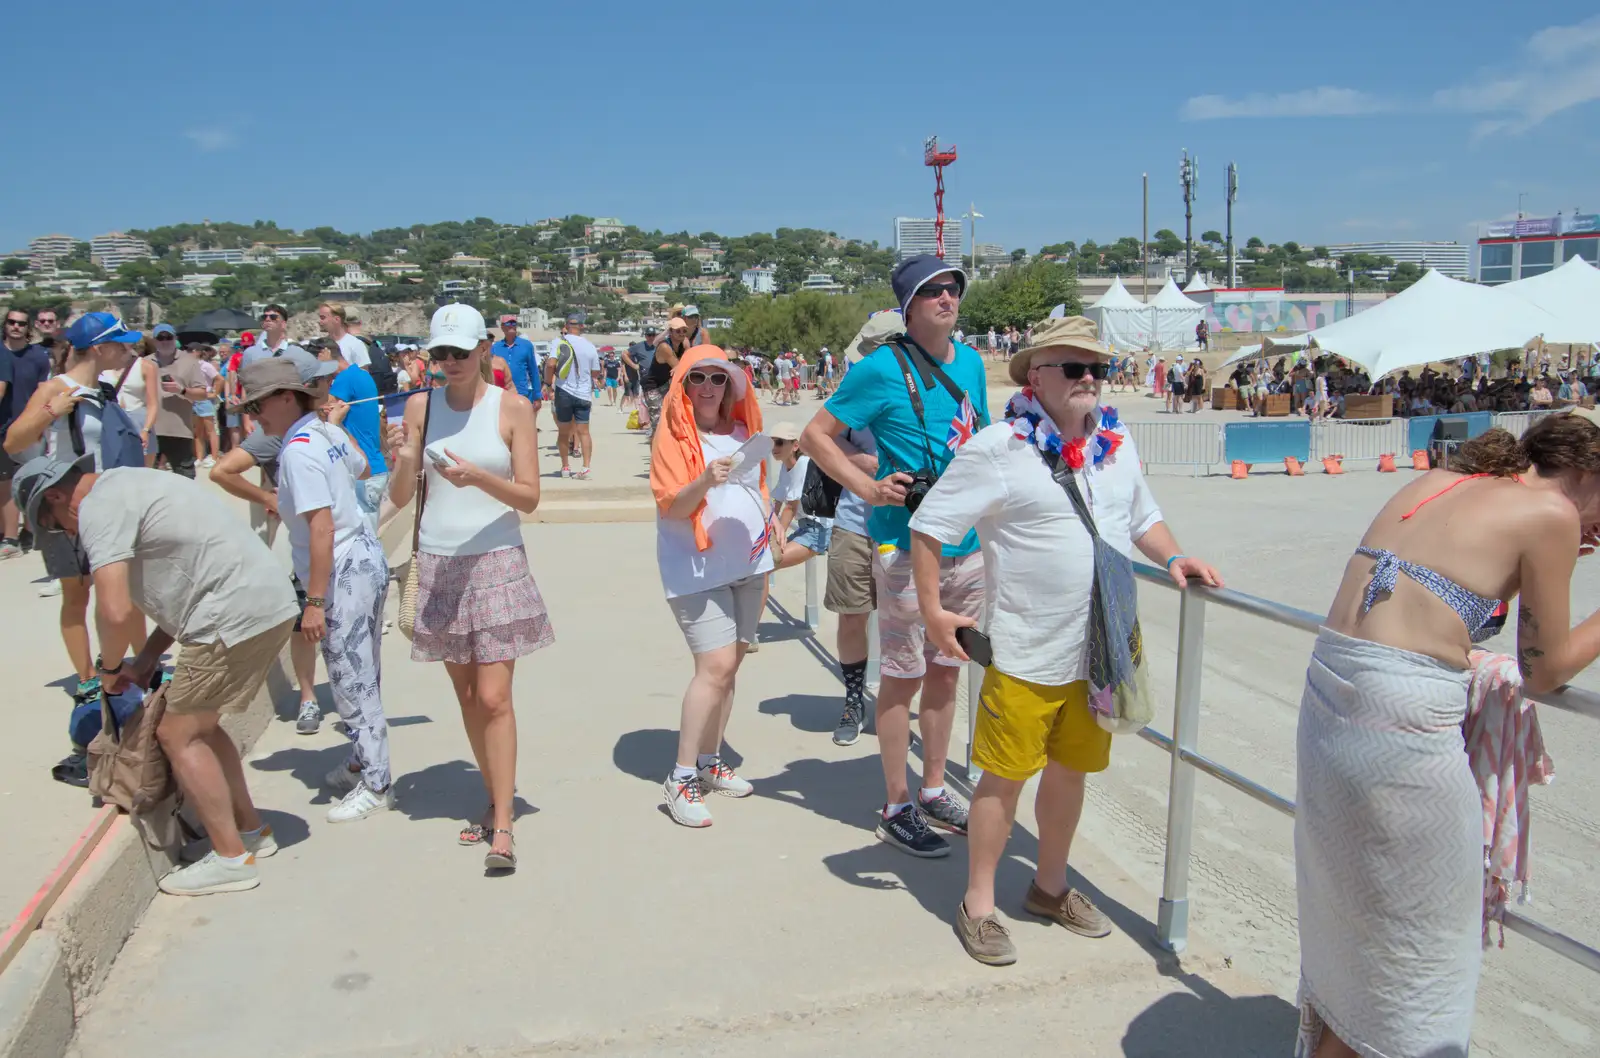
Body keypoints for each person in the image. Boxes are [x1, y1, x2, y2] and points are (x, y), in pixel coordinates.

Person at [908, 315, 1222, 965]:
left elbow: (1144, 518)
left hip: (1097, 651)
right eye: (1074, 368)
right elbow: (930, 525)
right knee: (1002, 780)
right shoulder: (999, 447)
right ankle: (979, 904)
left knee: (1072, 772)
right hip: (1024, 650)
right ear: (1036, 376)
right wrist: (936, 613)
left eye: (1099, 370)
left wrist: (1174, 559)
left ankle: (1050, 887)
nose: (1090, 380)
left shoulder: (1118, 441)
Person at [1294, 416, 1600, 1058]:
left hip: (1331, 702)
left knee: (1350, 930)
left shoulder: (1439, 481)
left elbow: (1435, 592)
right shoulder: (1550, 511)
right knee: (1419, 953)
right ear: (1587, 475)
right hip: (1402, 728)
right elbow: (1546, 669)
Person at [16, 454, 298, 895]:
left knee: (177, 733)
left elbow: (113, 610)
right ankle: (251, 832)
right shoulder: (132, 481)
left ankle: (231, 861)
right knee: (200, 726)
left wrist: (105, 670)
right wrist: (146, 658)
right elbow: (185, 582)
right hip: (262, 603)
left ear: (56, 495)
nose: (64, 534)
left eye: (53, 524)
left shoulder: (96, 508)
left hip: (229, 616)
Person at [800, 253, 989, 857]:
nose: (946, 298)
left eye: (952, 288)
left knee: (946, 670)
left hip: (967, 543)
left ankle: (934, 787)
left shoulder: (975, 364)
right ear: (908, 306)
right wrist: (868, 488)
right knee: (902, 677)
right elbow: (814, 437)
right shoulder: (880, 368)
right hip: (905, 544)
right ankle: (896, 802)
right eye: (932, 291)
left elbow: (979, 438)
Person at [385, 303, 552, 871]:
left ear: (485, 349)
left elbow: (529, 497)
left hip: (497, 560)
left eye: (460, 351)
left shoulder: (513, 407)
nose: (450, 362)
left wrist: (478, 475)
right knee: (464, 697)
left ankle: (503, 824)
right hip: (438, 560)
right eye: (440, 354)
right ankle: (493, 796)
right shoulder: (418, 406)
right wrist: (406, 459)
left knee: (493, 697)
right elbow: (404, 494)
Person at [239, 357, 394, 823]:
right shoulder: (322, 432)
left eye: (260, 404)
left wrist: (315, 601)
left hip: (341, 567)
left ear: (287, 396)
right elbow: (364, 467)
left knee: (351, 679)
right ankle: (359, 759)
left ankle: (376, 780)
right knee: (364, 672)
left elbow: (321, 529)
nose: (254, 415)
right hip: (365, 555)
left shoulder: (299, 450)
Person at [4, 311, 150, 712]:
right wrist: (53, 410)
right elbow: (15, 440)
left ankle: (138, 665)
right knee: (76, 594)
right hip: (66, 504)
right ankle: (87, 677)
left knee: (125, 592)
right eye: (121, 345)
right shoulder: (56, 387)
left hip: (109, 502)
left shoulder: (104, 389)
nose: (128, 351)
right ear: (100, 348)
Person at [650, 345, 770, 827]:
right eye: (696, 378)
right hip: (696, 570)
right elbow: (672, 506)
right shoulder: (674, 438)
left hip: (751, 563)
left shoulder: (743, 431)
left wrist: (771, 518)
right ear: (682, 385)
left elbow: (756, 483)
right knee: (715, 666)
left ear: (731, 385)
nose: (707, 388)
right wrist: (703, 480)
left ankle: (710, 761)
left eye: (716, 379)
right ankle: (680, 777)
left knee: (730, 668)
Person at [211, 344, 339, 735]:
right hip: (301, 544)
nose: (327, 383)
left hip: (328, 540)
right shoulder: (277, 438)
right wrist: (269, 498)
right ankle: (307, 697)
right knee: (305, 623)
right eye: (319, 379)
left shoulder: (317, 428)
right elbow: (222, 472)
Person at [822, 312, 900, 746]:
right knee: (854, 615)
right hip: (854, 522)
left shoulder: (926, 391)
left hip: (904, 528)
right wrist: (861, 463)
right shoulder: (852, 389)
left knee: (902, 620)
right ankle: (854, 699)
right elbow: (822, 438)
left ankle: (893, 708)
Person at [317, 336, 389, 536]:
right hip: (373, 466)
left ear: (327, 354)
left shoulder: (343, 379)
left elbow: (323, 409)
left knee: (364, 541)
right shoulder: (363, 375)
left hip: (363, 470)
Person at [0, 306, 53, 558]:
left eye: (21, 323)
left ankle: (29, 530)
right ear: (5, 324)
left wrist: (42, 423)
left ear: (28, 328)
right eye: (12, 322)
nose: (16, 327)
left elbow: (44, 393)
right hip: (3, 427)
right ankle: (10, 535)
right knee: (6, 484)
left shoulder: (39, 356)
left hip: (29, 426)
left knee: (30, 482)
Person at [544, 312, 601, 479]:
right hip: (584, 393)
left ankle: (565, 466)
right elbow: (596, 372)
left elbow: (551, 363)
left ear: (566, 326)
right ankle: (585, 467)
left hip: (564, 391)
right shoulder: (590, 346)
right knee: (584, 432)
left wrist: (548, 383)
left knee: (563, 431)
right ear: (582, 327)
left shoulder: (559, 341)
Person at [149, 324, 210, 478]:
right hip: (150, 429)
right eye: (160, 338)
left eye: (168, 337)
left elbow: (202, 394)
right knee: (149, 478)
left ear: (175, 339)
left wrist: (182, 390)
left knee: (185, 478)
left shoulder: (189, 361)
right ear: (155, 341)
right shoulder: (144, 362)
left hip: (179, 429)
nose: (165, 341)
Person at [492, 317, 541, 433]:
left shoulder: (526, 345)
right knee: (503, 428)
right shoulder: (495, 347)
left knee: (523, 428)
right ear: (502, 327)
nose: (511, 325)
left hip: (522, 393)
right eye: (508, 323)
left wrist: (537, 396)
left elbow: (533, 371)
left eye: (514, 323)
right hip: (501, 394)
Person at [644, 318, 686, 442]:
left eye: (684, 331)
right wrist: (680, 366)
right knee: (658, 426)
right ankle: (655, 459)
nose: (682, 333)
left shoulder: (683, 345)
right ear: (670, 332)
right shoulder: (665, 347)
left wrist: (681, 366)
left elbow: (684, 366)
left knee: (672, 425)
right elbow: (680, 367)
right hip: (654, 388)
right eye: (678, 331)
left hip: (668, 386)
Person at [190, 344, 223, 468]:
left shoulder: (206, 365)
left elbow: (219, 379)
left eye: (191, 350)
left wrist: (214, 393)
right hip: (193, 399)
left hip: (205, 399)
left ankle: (214, 457)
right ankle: (200, 457)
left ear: (198, 352)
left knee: (210, 430)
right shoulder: (190, 366)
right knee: (198, 431)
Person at [317, 302, 369, 368]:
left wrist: (331, 363)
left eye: (323, 318)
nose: (319, 321)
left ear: (336, 319)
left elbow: (364, 376)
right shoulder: (320, 344)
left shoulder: (356, 344)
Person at [622, 325, 655, 416]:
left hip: (658, 377)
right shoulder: (639, 346)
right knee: (647, 401)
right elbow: (624, 354)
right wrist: (634, 365)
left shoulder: (659, 345)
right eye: (649, 335)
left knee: (656, 402)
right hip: (645, 378)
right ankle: (647, 422)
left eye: (653, 335)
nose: (651, 337)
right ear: (646, 336)